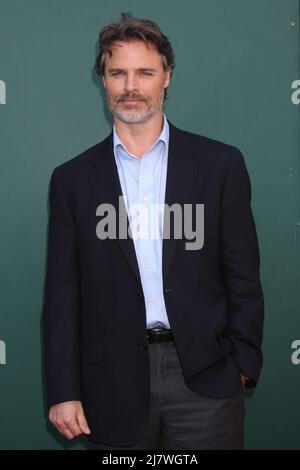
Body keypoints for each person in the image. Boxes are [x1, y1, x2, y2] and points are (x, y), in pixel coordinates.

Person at [42, 12, 264, 450]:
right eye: (117, 73)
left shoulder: (221, 165)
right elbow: (62, 296)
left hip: (206, 377)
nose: (130, 86)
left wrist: (241, 362)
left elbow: (243, 277)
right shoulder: (71, 180)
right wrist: (64, 390)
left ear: (166, 76)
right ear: (103, 81)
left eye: (144, 72)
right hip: (110, 383)